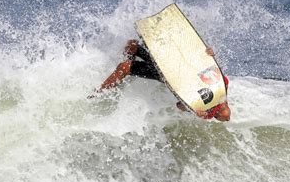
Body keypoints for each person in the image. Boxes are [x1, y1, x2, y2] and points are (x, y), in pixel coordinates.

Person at [94, 40, 231, 122]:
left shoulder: (206, 112)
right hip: (173, 60)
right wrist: (208, 54)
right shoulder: (222, 83)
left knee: (124, 67)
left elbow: (180, 105)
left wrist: (193, 110)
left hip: (168, 75)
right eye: (224, 108)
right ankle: (122, 76)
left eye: (218, 115)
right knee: (132, 45)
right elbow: (208, 64)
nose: (223, 114)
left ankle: (98, 94)